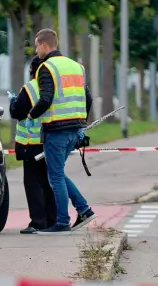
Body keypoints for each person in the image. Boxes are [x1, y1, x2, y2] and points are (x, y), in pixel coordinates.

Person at [26, 28, 95, 233]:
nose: (36, 49)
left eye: (36, 45)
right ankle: (84, 210)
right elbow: (88, 99)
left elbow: (45, 99)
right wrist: (82, 123)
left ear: (44, 45)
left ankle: (62, 222)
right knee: (57, 173)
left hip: (56, 130)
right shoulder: (77, 67)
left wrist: (31, 115)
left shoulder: (46, 67)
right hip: (74, 130)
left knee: (55, 176)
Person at [9, 56, 52, 234]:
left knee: (33, 183)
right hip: (51, 141)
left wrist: (13, 102)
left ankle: (38, 221)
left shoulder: (30, 88)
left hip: (32, 143)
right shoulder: (54, 86)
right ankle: (53, 220)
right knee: (50, 182)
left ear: (32, 71)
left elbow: (17, 112)